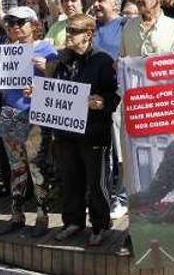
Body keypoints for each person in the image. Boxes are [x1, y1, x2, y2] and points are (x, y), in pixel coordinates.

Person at [49, 14, 120, 246]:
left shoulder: (102, 60)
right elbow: (54, 91)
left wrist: (102, 102)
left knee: (96, 183)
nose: (68, 35)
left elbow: (114, 95)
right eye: (67, 30)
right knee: (70, 180)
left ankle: (99, 225)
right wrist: (38, 93)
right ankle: (73, 222)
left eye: (73, 31)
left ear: (88, 34)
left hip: (93, 133)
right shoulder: (61, 60)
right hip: (65, 134)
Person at [0, 7, 59, 237]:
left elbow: (60, 84)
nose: (14, 26)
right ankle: (16, 214)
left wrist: (39, 85)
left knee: (37, 168)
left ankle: (42, 216)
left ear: (33, 24)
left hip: (36, 116)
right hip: (10, 113)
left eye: (19, 22)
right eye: (10, 22)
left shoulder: (46, 49)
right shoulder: (3, 51)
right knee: (16, 168)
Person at [89, 0, 129, 218]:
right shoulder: (91, 27)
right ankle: (102, 195)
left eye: (100, 1)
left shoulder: (125, 25)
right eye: (93, 1)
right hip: (94, 99)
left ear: (115, 3)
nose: (95, 5)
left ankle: (121, 197)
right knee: (102, 152)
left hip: (117, 96)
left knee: (120, 151)